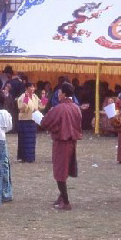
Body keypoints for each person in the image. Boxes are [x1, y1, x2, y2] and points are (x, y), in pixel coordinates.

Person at [40, 82, 83, 211]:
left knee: (60, 171)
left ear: (63, 94)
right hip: (72, 141)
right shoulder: (76, 108)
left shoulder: (59, 108)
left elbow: (45, 121)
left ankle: (66, 201)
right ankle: (61, 197)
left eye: (59, 92)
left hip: (61, 141)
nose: (58, 94)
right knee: (65, 169)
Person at [17, 82, 44, 162]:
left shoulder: (35, 96)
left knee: (31, 140)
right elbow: (22, 108)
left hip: (33, 120)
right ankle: (24, 157)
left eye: (33, 87)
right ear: (26, 88)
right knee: (24, 140)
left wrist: (43, 97)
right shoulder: (22, 97)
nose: (32, 89)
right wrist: (26, 99)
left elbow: (41, 106)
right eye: (31, 87)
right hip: (24, 121)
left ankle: (30, 157)